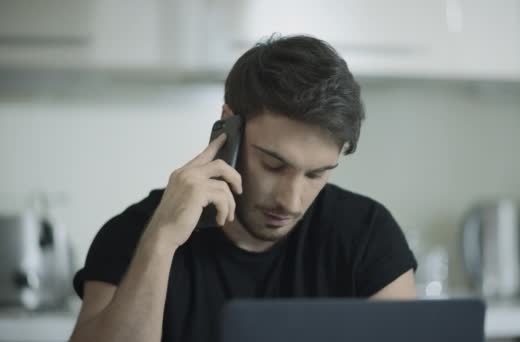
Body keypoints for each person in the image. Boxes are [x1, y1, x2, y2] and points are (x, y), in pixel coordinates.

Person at [69, 35, 417, 342]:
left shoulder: (367, 235)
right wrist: (160, 242)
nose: (291, 202)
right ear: (229, 127)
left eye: (316, 175)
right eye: (273, 165)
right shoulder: (135, 233)